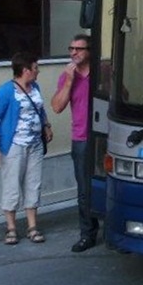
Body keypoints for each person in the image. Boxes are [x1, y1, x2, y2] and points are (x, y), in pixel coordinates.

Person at [0, 51, 53, 245]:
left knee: (33, 183)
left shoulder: (35, 87)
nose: (38, 71)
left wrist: (46, 125)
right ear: (26, 70)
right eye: (35, 68)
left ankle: (32, 226)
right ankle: (11, 228)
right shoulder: (6, 91)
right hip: (14, 145)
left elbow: (39, 108)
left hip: (35, 144)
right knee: (12, 184)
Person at [51, 34, 99, 253]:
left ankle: (113, 229)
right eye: (71, 49)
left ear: (89, 51)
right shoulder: (67, 76)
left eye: (78, 49)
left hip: (103, 138)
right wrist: (69, 81)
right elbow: (57, 107)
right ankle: (87, 234)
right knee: (84, 190)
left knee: (107, 185)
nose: (73, 53)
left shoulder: (102, 73)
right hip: (80, 139)